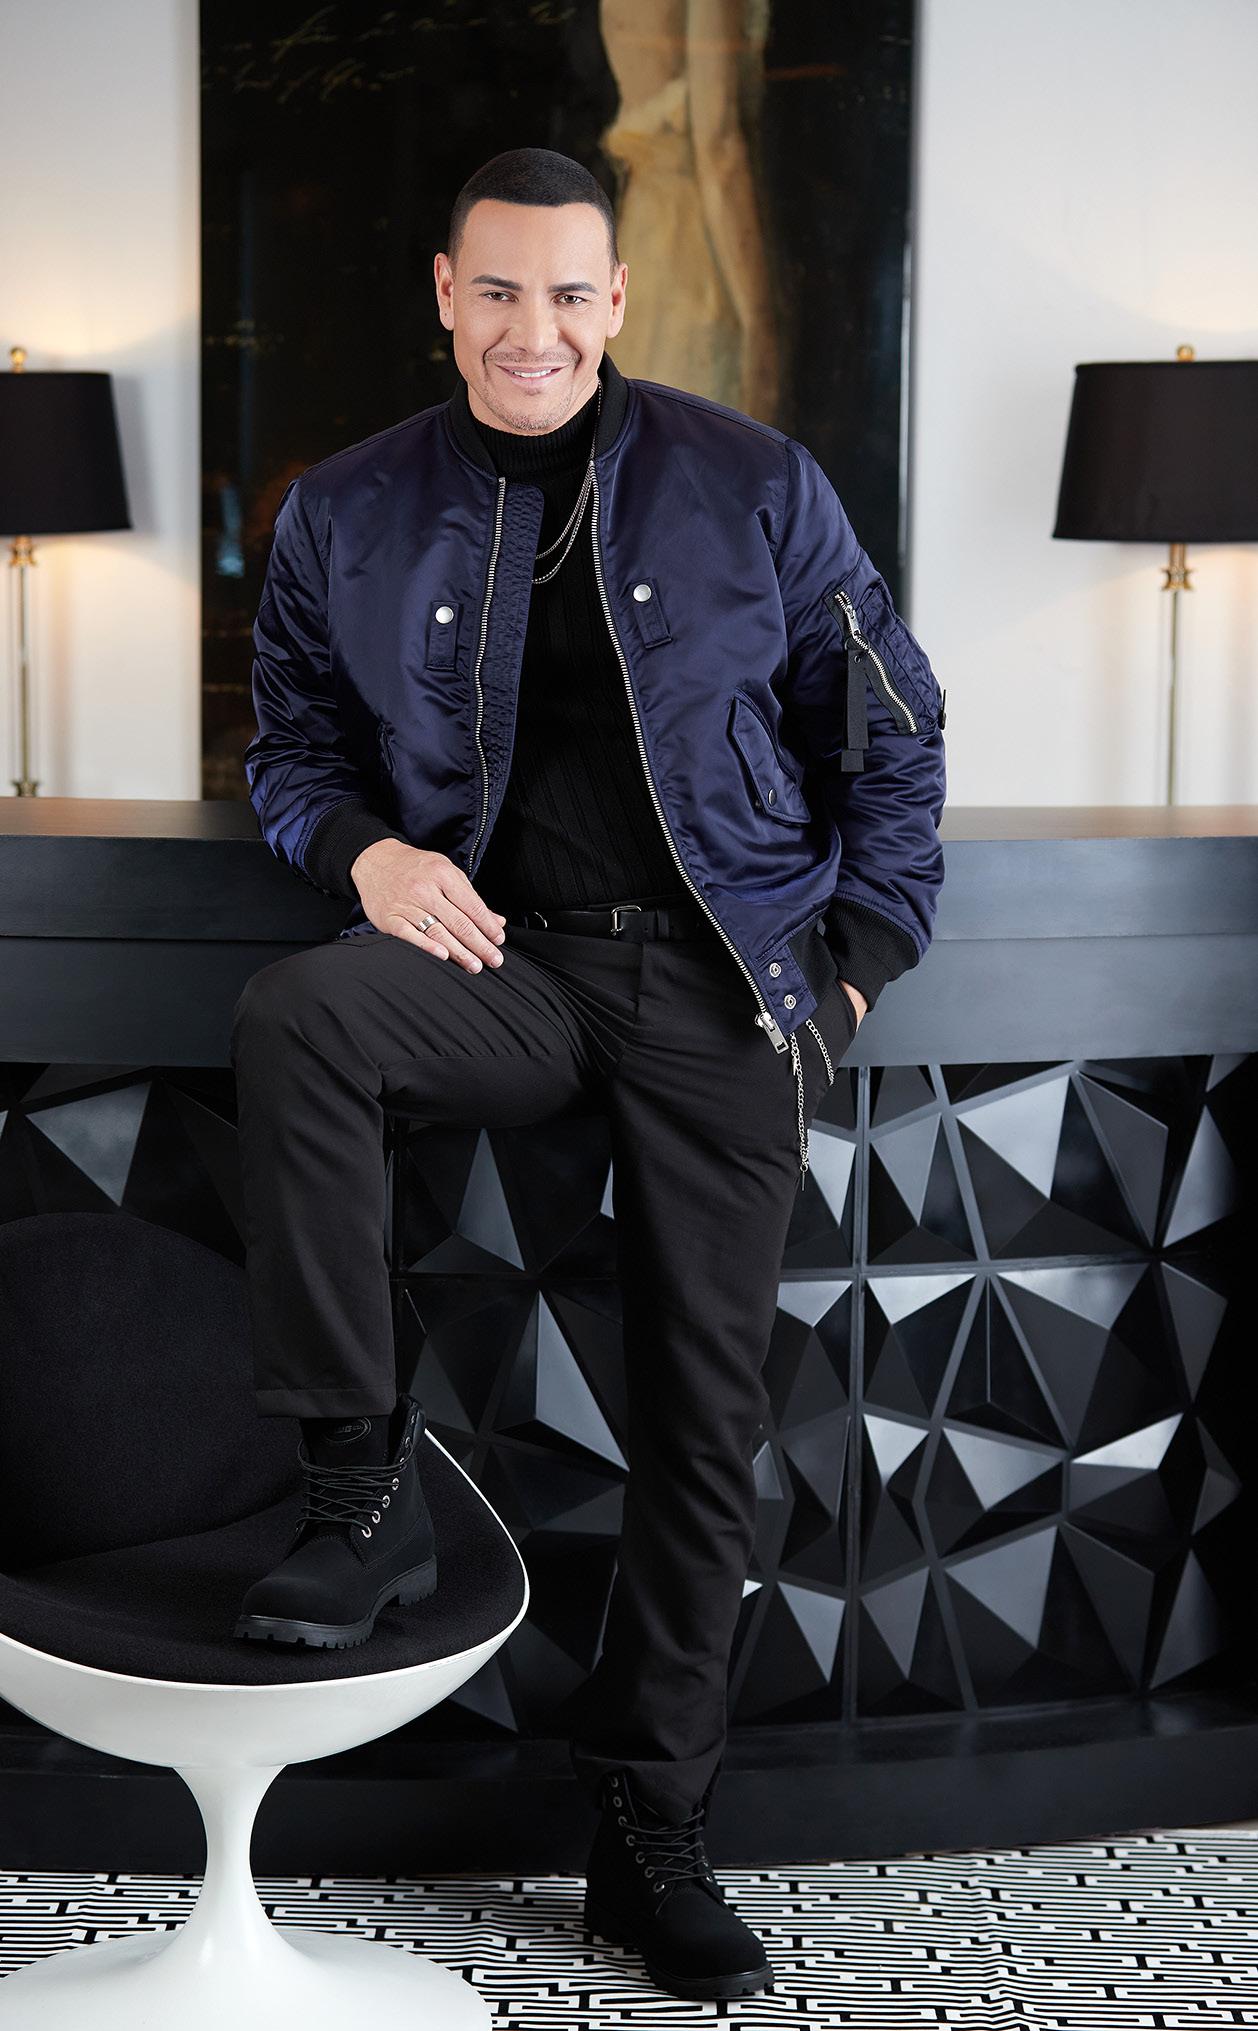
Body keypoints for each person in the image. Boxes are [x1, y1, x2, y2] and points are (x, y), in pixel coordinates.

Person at [229, 145, 946, 2001]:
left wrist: (852, 970)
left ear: (616, 301)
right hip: (507, 969)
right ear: (444, 295)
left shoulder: (753, 483)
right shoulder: (347, 508)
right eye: (496, 291)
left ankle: (648, 1835)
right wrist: (361, 855)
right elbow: (288, 746)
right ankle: (359, 1491)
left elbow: (890, 733)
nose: (530, 328)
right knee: (303, 1016)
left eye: (567, 293)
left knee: (702, 1425)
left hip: (722, 988)